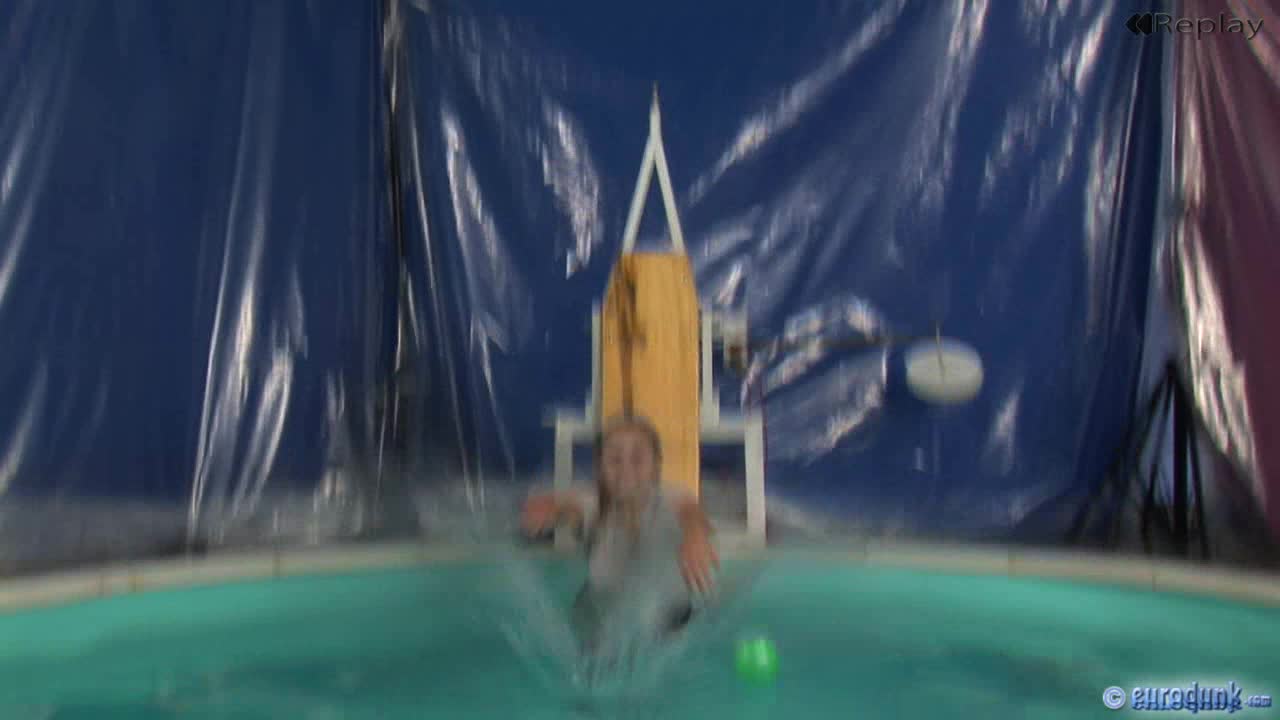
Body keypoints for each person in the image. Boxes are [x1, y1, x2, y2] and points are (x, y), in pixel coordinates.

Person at [521, 414, 719, 651]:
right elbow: (569, 508)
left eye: (637, 458)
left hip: (673, 619)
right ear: (599, 467)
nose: (625, 468)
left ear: (656, 465)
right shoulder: (594, 503)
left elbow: (692, 514)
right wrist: (551, 510)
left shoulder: (669, 498)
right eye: (614, 459)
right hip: (601, 620)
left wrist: (695, 537)